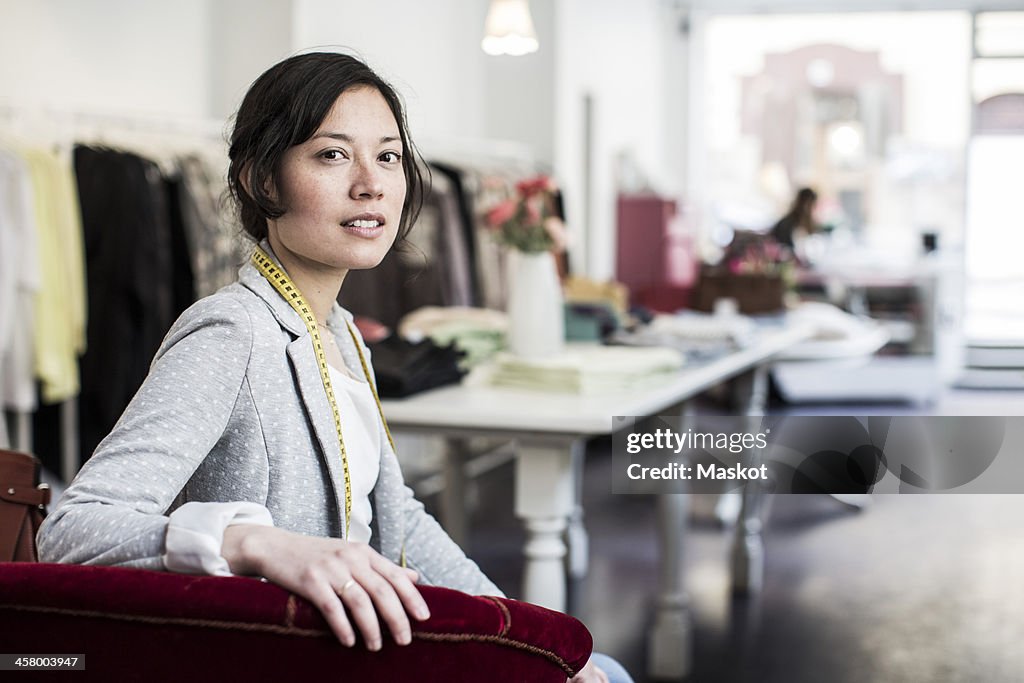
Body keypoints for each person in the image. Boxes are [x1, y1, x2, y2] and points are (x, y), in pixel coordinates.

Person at [36, 52, 628, 683]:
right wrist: (252, 543)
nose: (371, 183)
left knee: (600, 668)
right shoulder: (231, 333)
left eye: (389, 155)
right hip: (280, 656)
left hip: (359, 643)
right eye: (333, 155)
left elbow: (398, 514)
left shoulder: (341, 332)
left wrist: (519, 632)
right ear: (264, 180)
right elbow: (72, 529)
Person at [770, 186, 819, 251]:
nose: (813, 208)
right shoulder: (789, 224)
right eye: (812, 204)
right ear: (805, 203)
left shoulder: (800, 222)